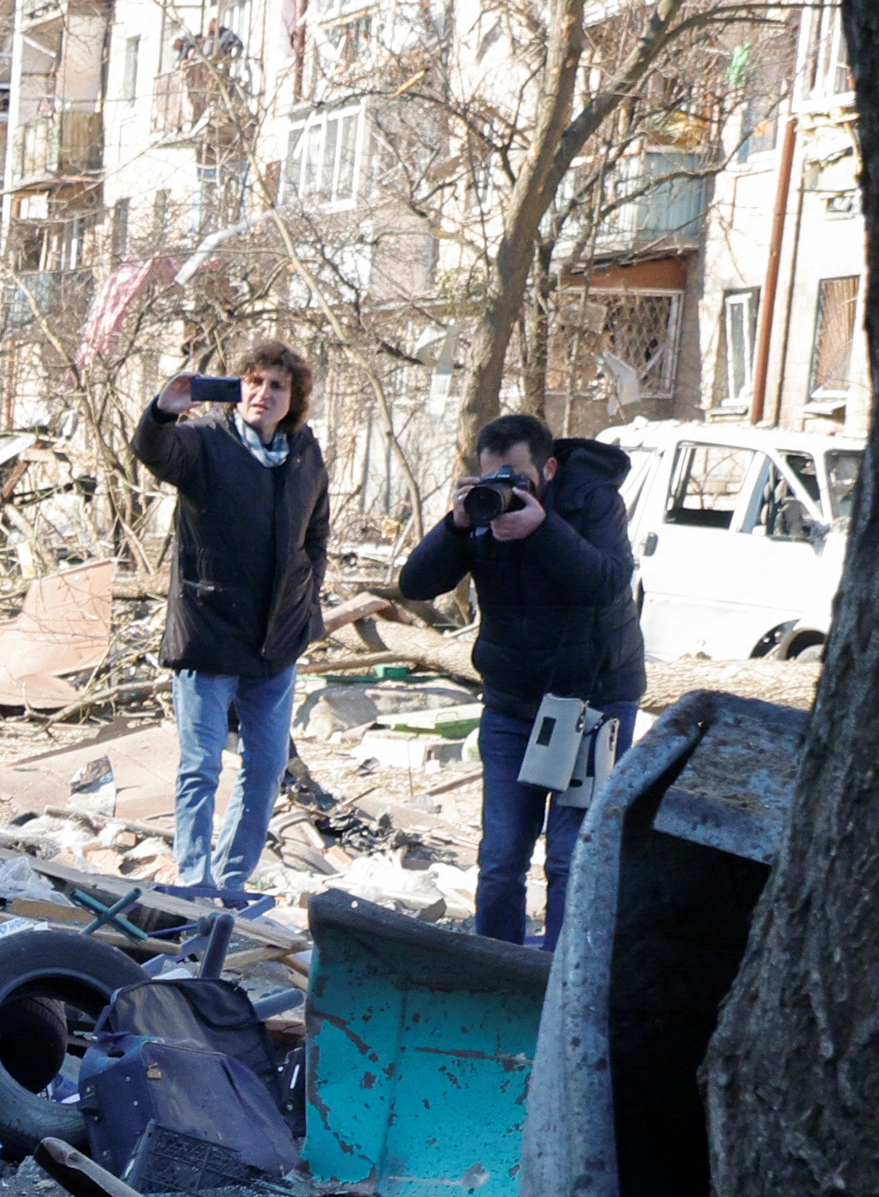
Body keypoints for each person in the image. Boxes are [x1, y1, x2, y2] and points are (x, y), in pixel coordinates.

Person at [391, 414, 644, 946]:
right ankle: (496, 974)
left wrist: (542, 529)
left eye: (517, 480)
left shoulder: (592, 502)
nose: (505, 493)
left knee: (571, 859)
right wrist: (456, 525)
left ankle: (558, 984)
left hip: (593, 704)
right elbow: (415, 584)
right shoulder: (481, 512)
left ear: (549, 468)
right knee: (501, 857)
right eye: (492, 481)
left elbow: (608, 582)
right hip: (513, 702)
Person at [131, 342, 332, 905]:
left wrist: (304, 594)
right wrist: (163, 411)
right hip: (209, 630)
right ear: (237, 386)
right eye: (253, 381)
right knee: (201, 765)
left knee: (266, 767)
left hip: (276, 639)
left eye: (276, 386)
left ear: (293, 400)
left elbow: (316, 531)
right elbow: (155, 452)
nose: (262, 394)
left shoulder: (304, 452)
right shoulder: (205, 442)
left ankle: (233, 880)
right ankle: (195, 878)